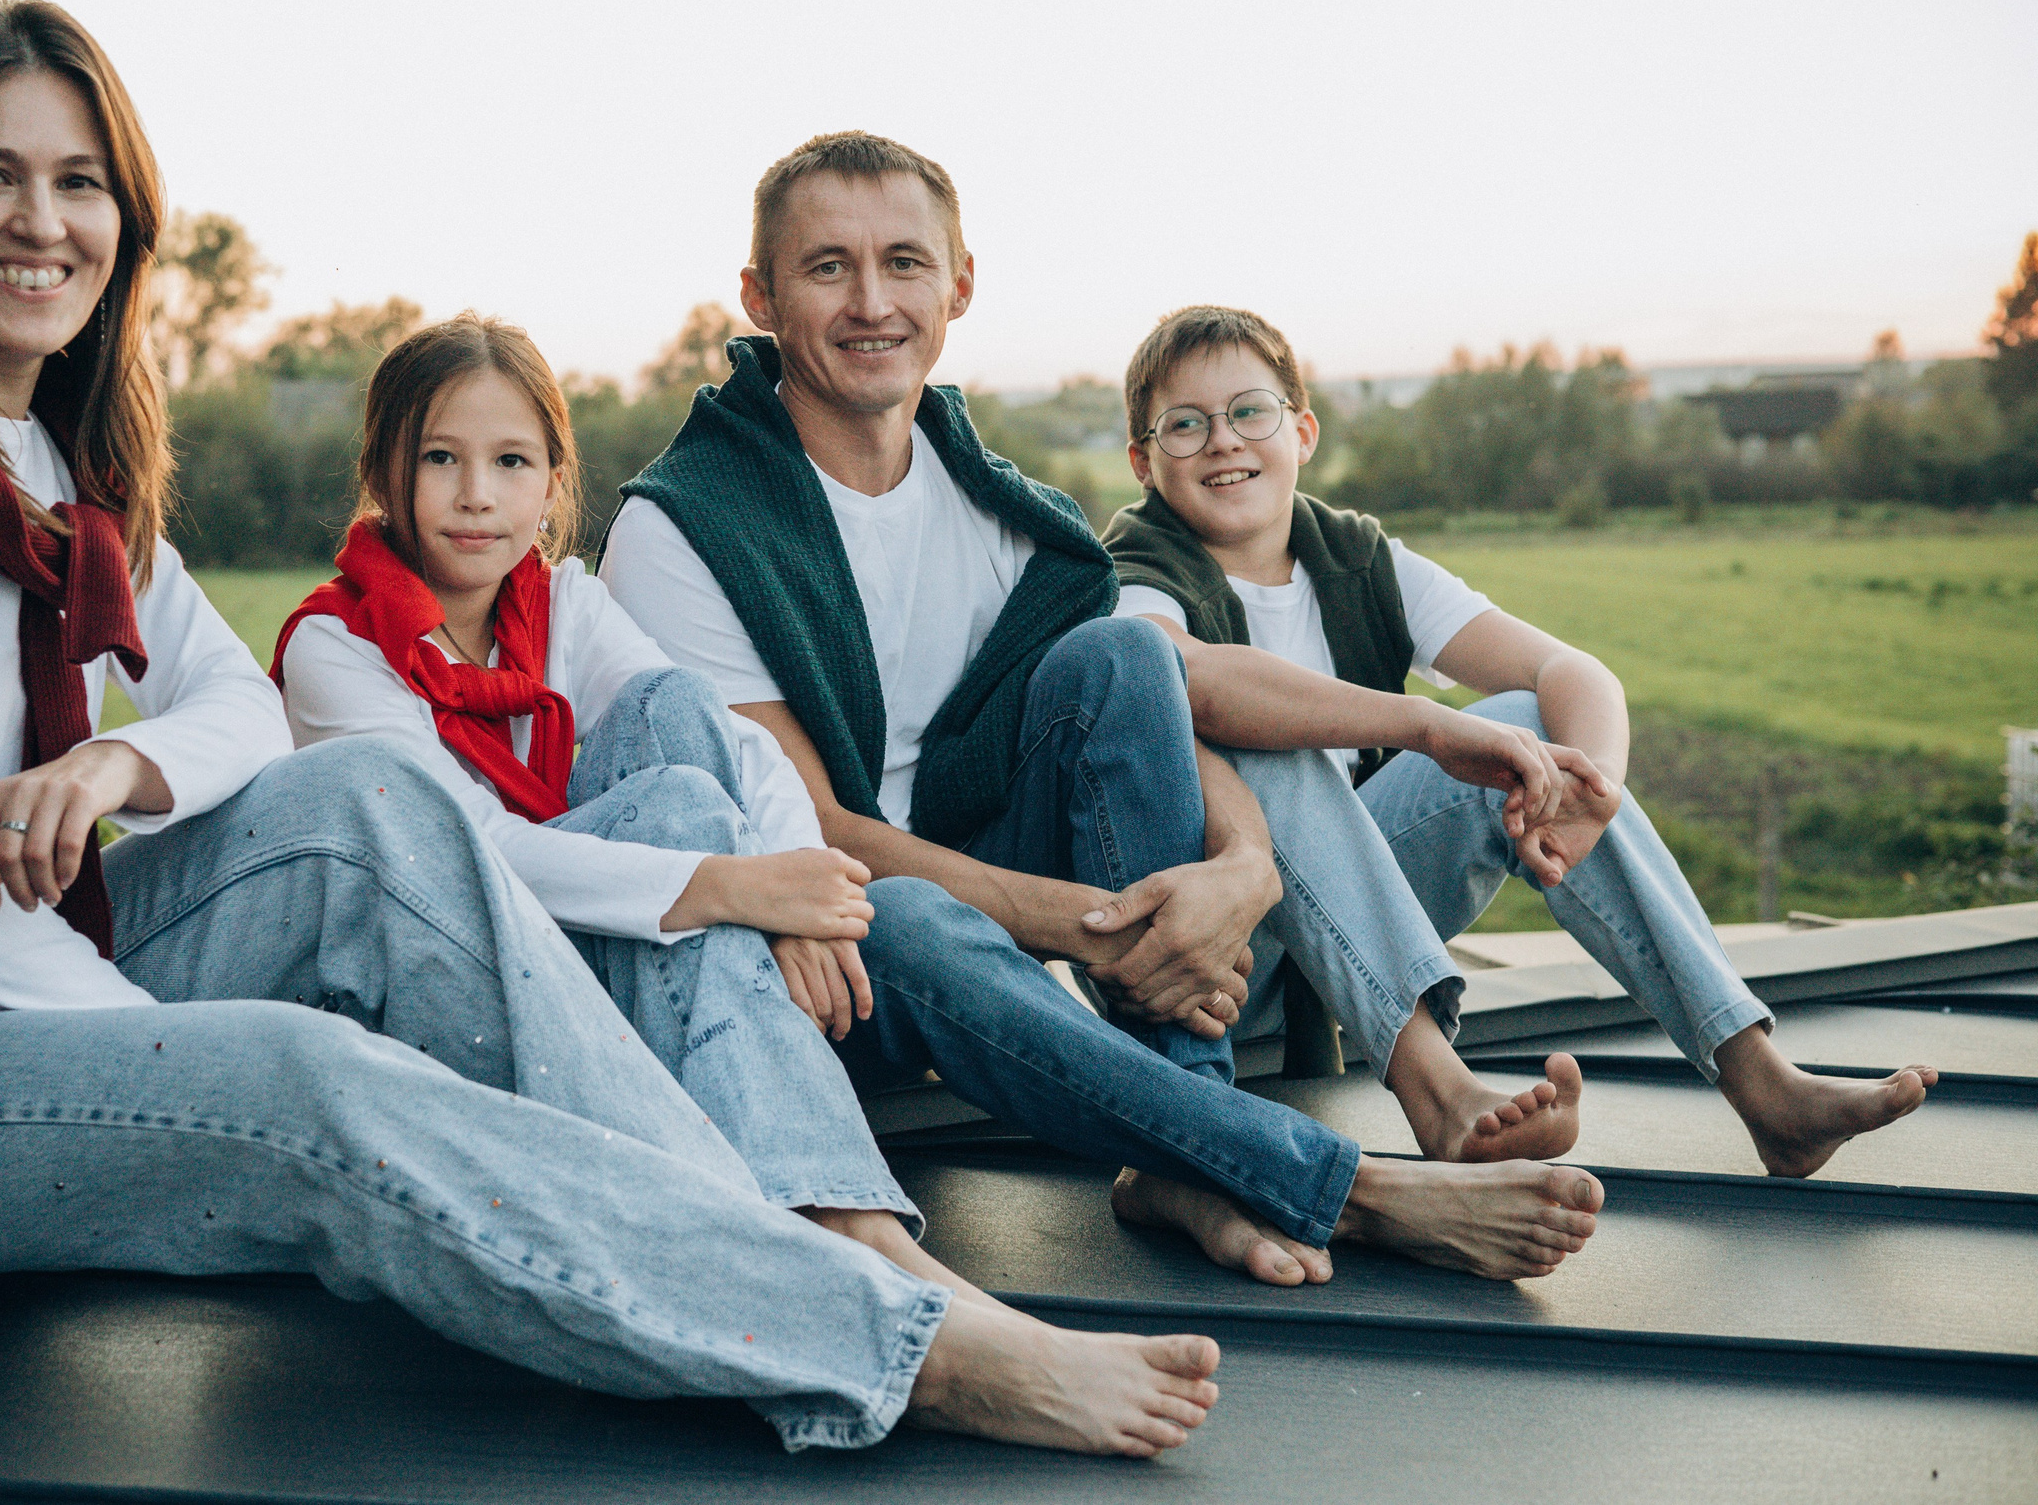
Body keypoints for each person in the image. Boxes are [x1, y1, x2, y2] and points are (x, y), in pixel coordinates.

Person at [0, 0, 1224, 1460]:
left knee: (369, 801)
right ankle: (887, 1341)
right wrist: (166, 1045)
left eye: (80, 185)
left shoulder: (45, 463)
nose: (42, 223)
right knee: (298, 1080)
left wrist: (117, 760)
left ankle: (812, 1250)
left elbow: (229, 703)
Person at [600, 129, 1606, 1288]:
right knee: (909, 915)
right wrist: (1106, 928)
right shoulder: (684, 524)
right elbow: (809, 832)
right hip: (816, 951)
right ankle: (1336, 1184)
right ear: (760, 296)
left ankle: (1183, 1144)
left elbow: (1147, 711)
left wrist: (1239, 873)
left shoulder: (1002, 514)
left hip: (1001, 894)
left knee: (1124, 655)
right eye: (827, 267)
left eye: (904, 264)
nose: (870, 302)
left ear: (959, 285)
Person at [273, 310, 1020, 1309]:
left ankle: (830, 1216)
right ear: (382, 474)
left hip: (591, 951)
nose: (475, 495)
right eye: (439, 458)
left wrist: (793, 892)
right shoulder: (337, 650)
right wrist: (733, 888)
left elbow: (740, 747)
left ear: (551, 483)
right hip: (443, 990)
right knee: (672, 810)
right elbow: (466, 854)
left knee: (671, 713)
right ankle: (841, 1217)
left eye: (509, 461)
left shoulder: (564, 609)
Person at [1100, 303, 1940, 1177]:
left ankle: (1763, 1081)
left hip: (1359, 930)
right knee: (1272, 739)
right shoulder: (1131, 571)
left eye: (1250, 412)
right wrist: (1429, 723)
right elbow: (1195, 680)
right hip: (1222, 964)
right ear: (1143, 462)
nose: (1224, 442)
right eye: (1185, 425)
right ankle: (1441, 1092)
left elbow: (1573, 674)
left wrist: (1591, 793)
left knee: (1533, 732)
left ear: (1302, 430)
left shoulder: (1354, 557)